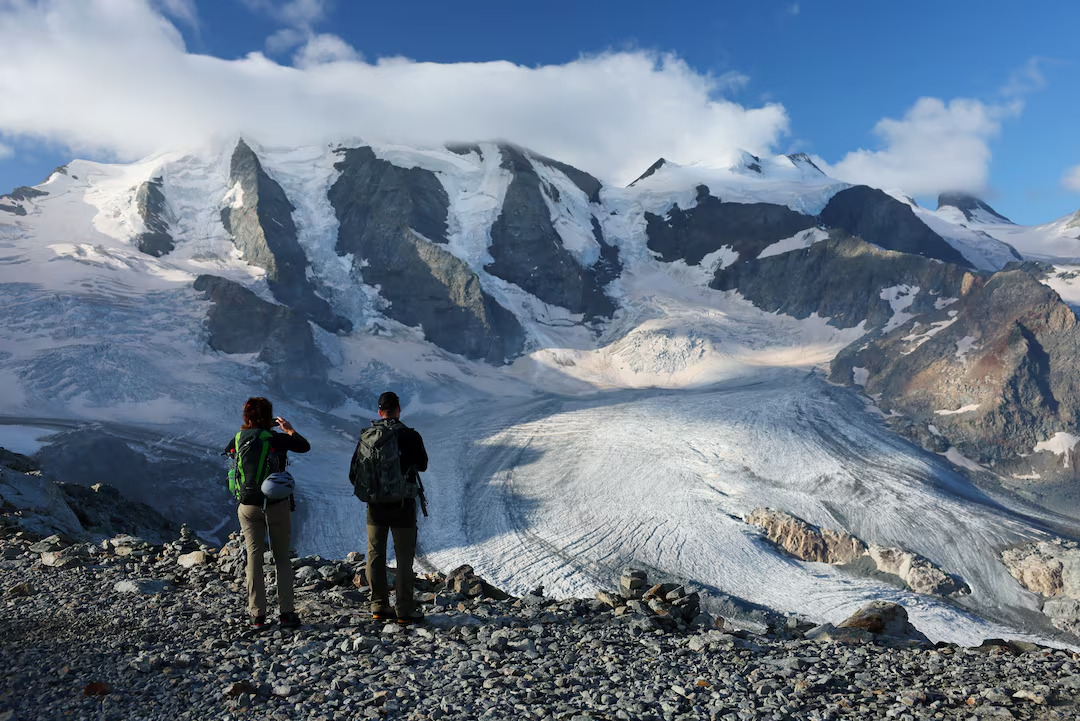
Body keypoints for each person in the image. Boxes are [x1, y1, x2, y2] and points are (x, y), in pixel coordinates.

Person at [225, 396, 310, 629]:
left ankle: (257, 615)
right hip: (276, 504)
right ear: (269, 417)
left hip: (247, 506)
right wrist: (288, 430)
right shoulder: (276, 438)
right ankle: (286, 614)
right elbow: (304, 446)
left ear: (246, 417)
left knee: (253, 558)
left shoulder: (239, 437)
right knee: (281, 557)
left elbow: (228, 452)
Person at [365, 391, 429, 624]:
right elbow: (422, 465)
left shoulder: (368, 435)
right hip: (403, 504)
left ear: (380, 412)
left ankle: (378, 606)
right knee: (404, 557)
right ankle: (404, 609)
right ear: (399, 409)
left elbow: (356, 471)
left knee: (375, 554)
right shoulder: (410, 435)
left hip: (375, 505)